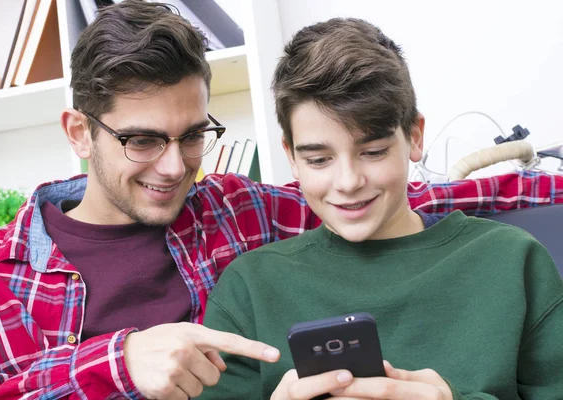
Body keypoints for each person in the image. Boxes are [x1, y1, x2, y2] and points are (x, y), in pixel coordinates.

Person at [0, 1, 560, 399]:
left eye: (194, 135)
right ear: (78, 133)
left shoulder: (239, 211)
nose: (175, 168)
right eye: (141, 140)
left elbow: (408, 191)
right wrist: (116, 362)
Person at [199, 17, 563, 400]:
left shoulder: (511, 261)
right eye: (319, 160)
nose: (348, 181)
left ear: (414, 136)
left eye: (373, 152)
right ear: (291, 156)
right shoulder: (249, 288)